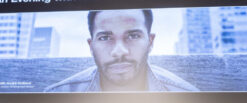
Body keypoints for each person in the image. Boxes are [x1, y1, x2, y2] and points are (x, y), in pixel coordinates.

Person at [44, 9, 199, 92]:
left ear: (150, 42)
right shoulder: (58, 94)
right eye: (105, 38)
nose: (119, 52)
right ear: (91, 46)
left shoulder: (187, 94)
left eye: (133, 36)